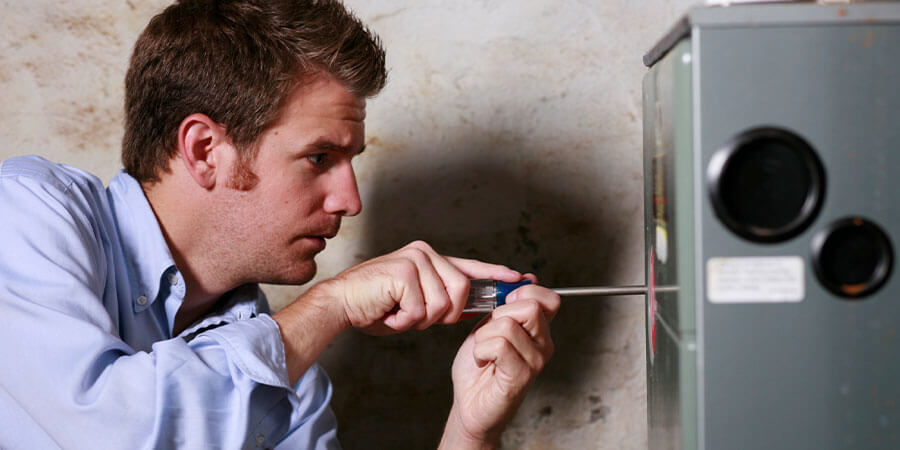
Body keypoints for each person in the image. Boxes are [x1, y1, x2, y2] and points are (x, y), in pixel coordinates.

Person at [0, 0, 560, 448]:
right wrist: (333, 304)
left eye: (352, 161)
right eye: (319, 158)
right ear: (204, 151)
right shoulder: (27, 212)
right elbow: (110, 434)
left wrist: (469, 428)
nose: (350, 200)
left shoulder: (292, 375)